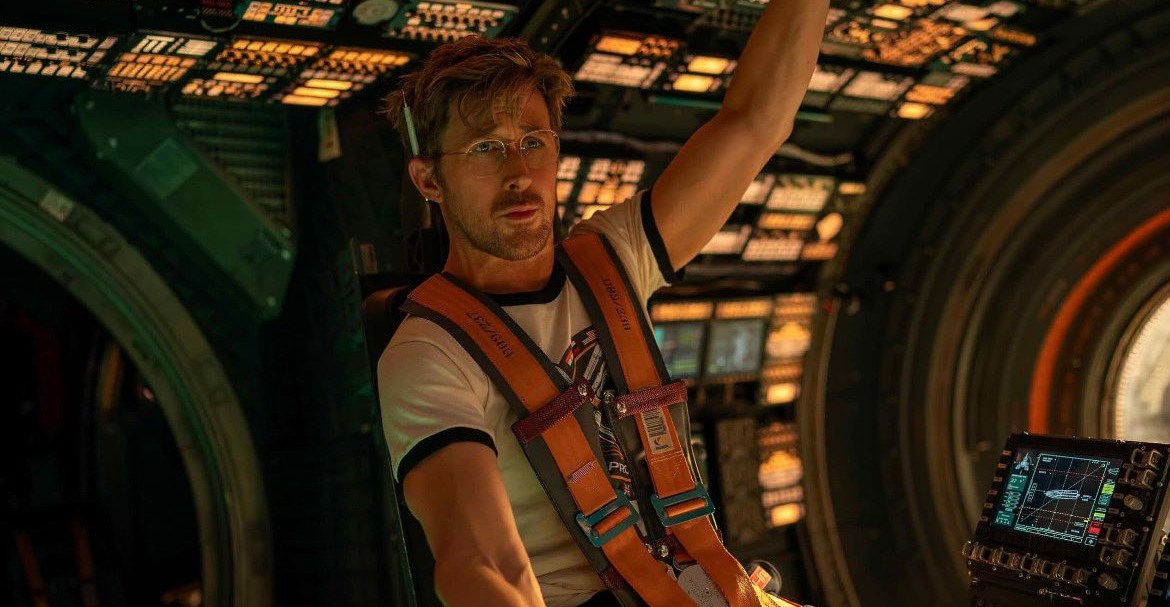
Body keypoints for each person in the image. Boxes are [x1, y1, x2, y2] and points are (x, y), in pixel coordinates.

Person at [377, 1, 829, 605]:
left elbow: (757, 121)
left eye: (533, 142)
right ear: (429, 180)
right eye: (485, 148)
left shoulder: (611, 259)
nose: (519, 173)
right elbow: (482, 563)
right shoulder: (427, 356)